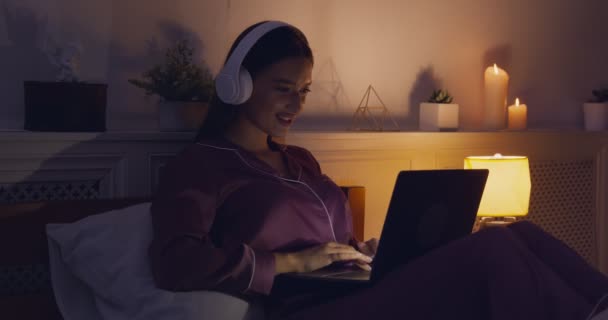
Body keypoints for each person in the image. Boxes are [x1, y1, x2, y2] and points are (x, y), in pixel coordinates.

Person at [148, 21, 608, 320]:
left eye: (304, 91)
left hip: (353, 289)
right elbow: (176, 263)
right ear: (238, 86)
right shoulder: (201, 166)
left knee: (517, 232)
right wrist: (291, 262)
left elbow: (331, 243)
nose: (296, 104)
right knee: (491, 250)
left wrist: (366, 251)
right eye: (283, 88)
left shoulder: (300, 161)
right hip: (305, 309)